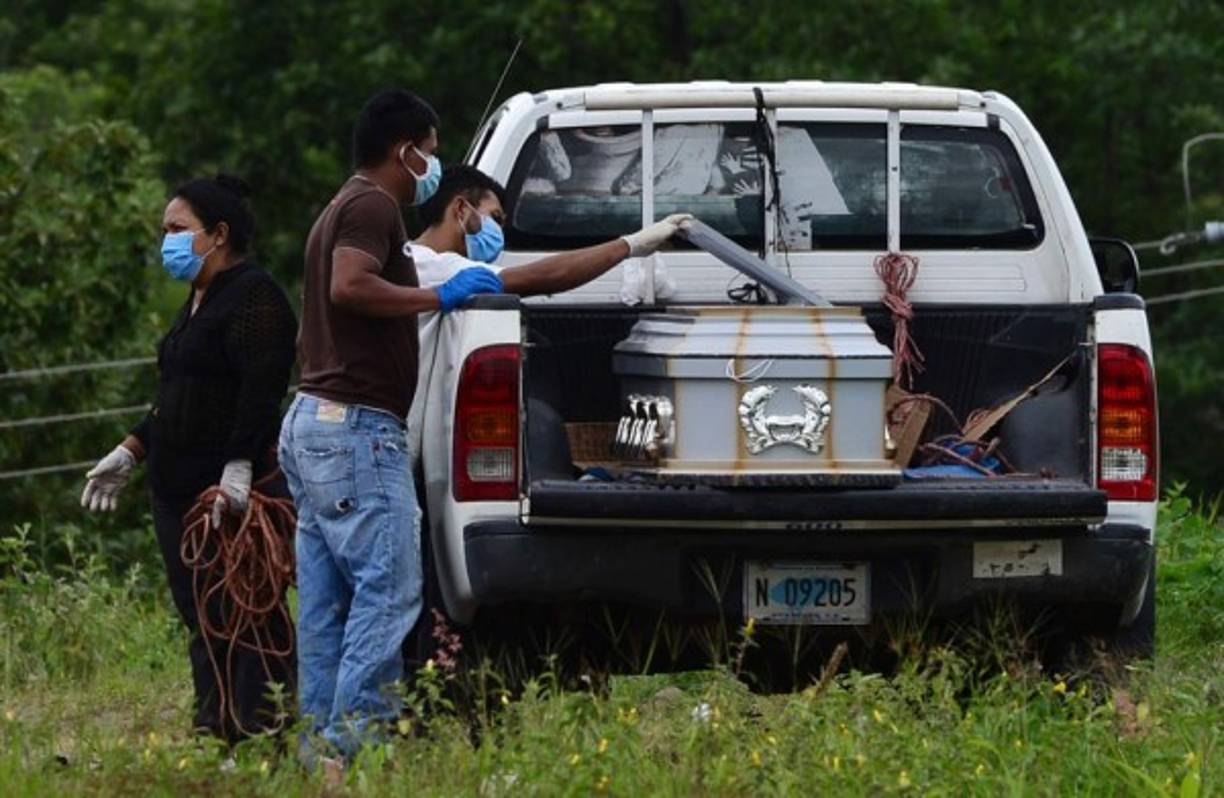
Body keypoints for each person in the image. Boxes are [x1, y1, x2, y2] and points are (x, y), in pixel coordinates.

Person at [278, 89, 501, 766]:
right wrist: (436, 295)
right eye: (429, 154)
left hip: (313, 423)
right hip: (357, 432)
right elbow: (351, 286)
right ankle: (358, 753)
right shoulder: (374, 205)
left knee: (325, 608)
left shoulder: (337, 208)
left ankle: (322, 760)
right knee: (390, 591)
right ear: (405, 149)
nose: (431, 169)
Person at [81, 174, 297, 742]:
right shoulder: (196, 301)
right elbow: (179, 394)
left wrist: (240, 466)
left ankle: (262, 727)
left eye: (177, 230)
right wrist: (132, 447)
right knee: (200, 616)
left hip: (223, 489)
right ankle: (213, 726)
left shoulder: (256, 296)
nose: (167, 241)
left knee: (244, 609)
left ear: (217, 234)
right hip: (173, 489)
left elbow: (260, 389)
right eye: (164, 231)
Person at [406, 164, 689, 449]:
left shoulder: (441, 267)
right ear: (461, 210)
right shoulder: (429, 265)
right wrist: (630, 245)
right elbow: (546, 277)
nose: (499, 234)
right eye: (494, 218)